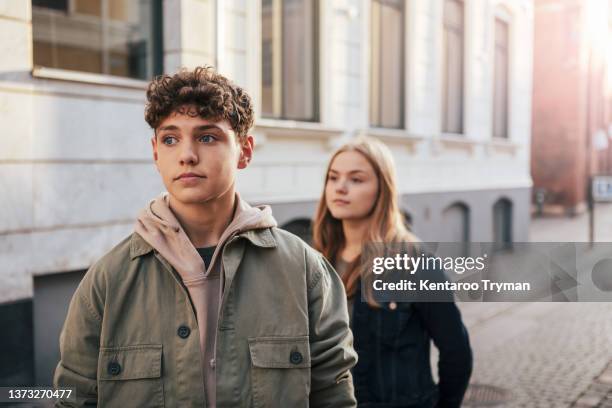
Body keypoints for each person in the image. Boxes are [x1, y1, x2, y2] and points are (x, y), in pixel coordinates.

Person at [53, 66, 357, 407]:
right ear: (155, 153)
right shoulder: (108, 280)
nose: (186, 154)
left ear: (245, 151)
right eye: (170, 139)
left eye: (207, 136)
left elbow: (334, 395)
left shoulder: (305, 272)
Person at [313, 137, 472, 407]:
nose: (340, 187)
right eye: (333, 177)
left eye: (356, 179)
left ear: (382, 189)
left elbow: (456, 353)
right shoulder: (315, 259)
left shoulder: (414, 262)